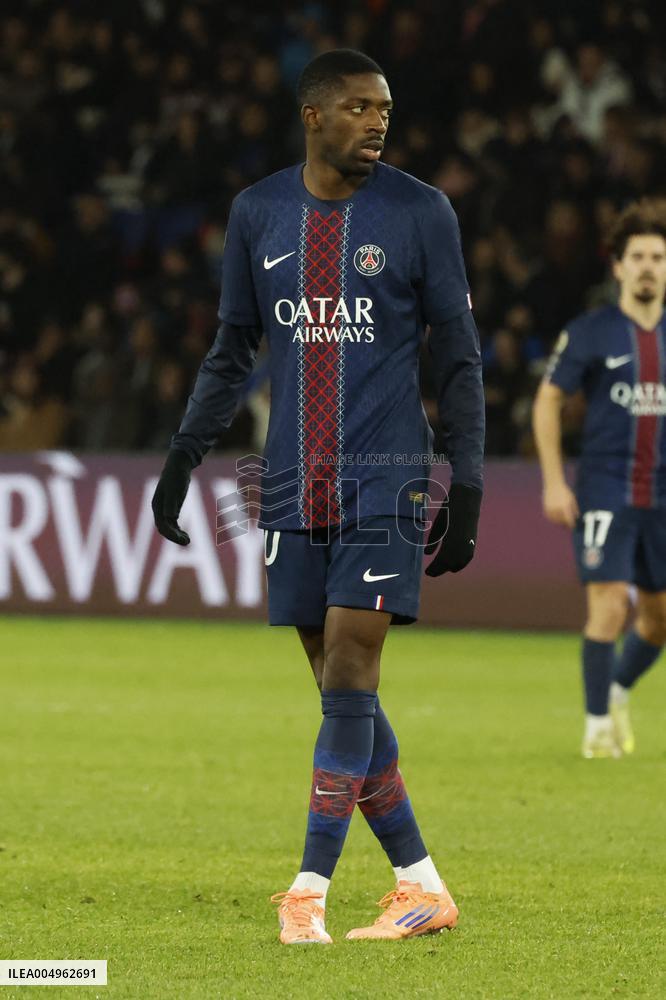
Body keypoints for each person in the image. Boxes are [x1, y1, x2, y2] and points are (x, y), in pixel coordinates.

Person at [152, 49, 484, 944]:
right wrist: (184, 455)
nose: (379, 122)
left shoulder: (420, 212)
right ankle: (421, 886)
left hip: (388, 478)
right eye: (359, 107)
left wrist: (471, 481)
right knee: (344, 694)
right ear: (313, 114)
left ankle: (308, 890)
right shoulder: (260, 212)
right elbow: (231, 349)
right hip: (294, 479)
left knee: (348, 666)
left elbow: (457, 356)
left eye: (386, 109)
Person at [533, 198, 666, 759]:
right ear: (617, 266)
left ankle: (615, 691)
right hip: (606, 488)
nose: (648, 267)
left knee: (658, 621)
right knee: (609, 605)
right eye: (637, 256)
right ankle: (595, 730)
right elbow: (547, 401)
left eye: (658, 257)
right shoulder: (591, 332)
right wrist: (553, 482)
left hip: (662, 494)